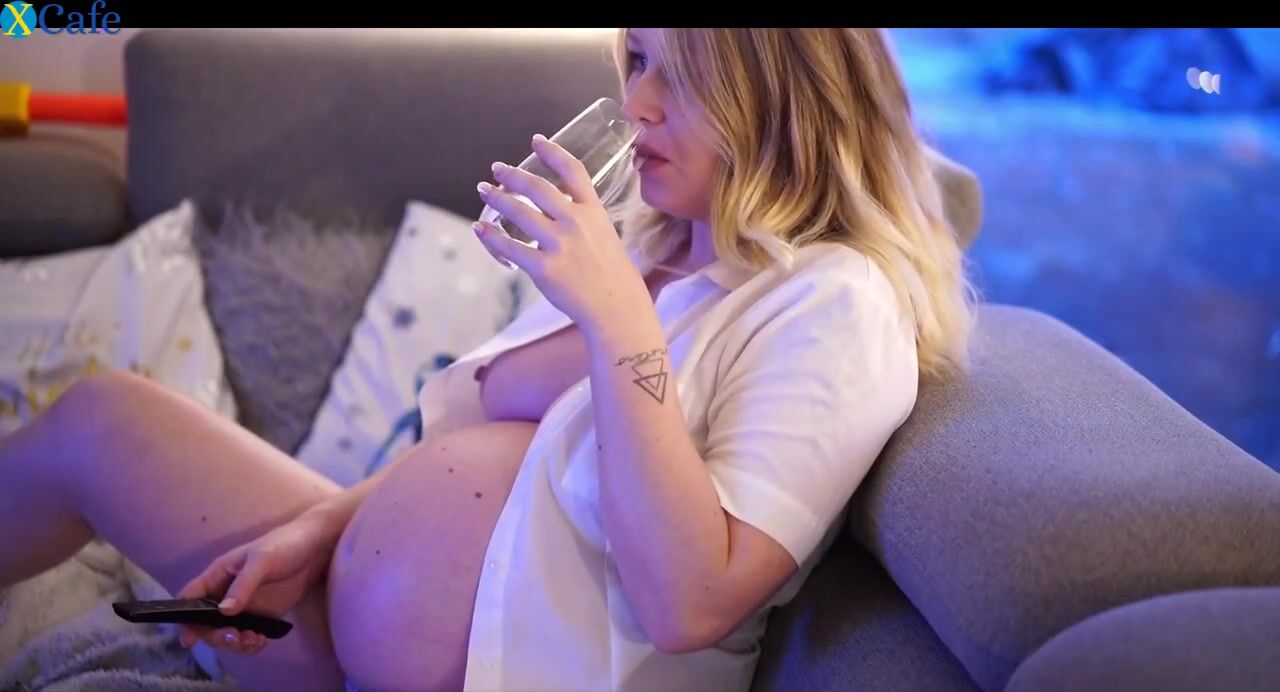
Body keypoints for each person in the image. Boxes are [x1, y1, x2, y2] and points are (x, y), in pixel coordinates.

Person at [0, 27, 977, 692]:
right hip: (342, 611)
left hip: (502, 665)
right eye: (637, 57)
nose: (635, 102)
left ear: (784, 98)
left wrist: (619, 322)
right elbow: (489, 448)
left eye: (679, 77)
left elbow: (690, 600)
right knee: (102, 419)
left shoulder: (835, 303)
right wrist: (324, 526)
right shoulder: (651, 236)